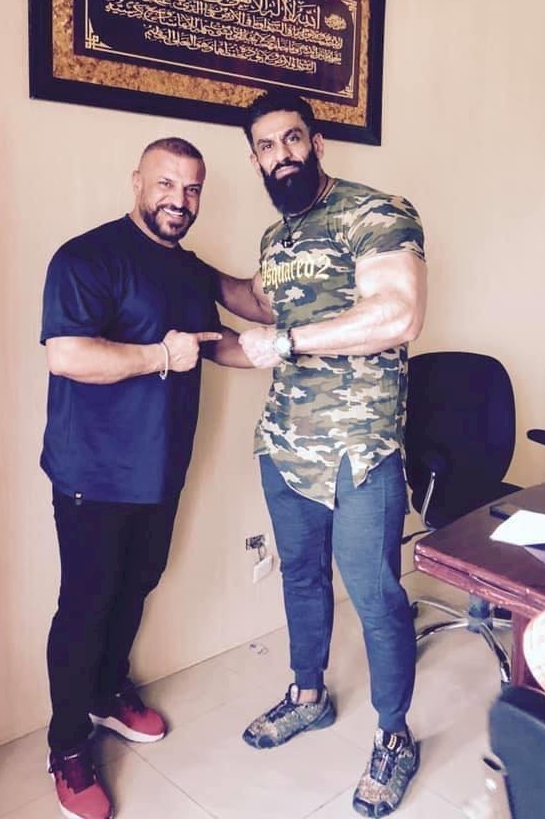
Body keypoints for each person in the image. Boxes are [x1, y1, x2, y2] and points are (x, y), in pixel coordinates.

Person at [215, 89, 427, 817]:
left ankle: (394, 736)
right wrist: (192, 279)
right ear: (255, 160)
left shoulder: (376, 213)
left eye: (292, 138)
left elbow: (398, 312)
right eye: (266, 146)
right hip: (284, 444)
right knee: (301, 578)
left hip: (359, 448)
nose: (281, 155)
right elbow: (263, 305)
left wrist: (285, 342)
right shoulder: (276, 240)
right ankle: (308, 694)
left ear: (316, 143)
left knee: (376, 596)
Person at [39, 136, 251, 819]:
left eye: (191, 189)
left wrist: (288, 349)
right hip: (94, 475)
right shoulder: (86, 258)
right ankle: (67, 745)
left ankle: (107, 692)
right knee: (86, 607)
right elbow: (69, 355)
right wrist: (160, 357)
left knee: (137, 586)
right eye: (166, 184)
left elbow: (216, 345)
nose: (178, 200)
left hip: (160, 471)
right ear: (137, 181)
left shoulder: (187, 270)